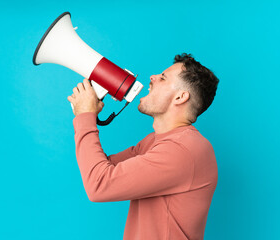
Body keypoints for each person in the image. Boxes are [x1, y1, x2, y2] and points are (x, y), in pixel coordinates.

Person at [67, 53, 219, 240]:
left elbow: (99, 184)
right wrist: (88, 112)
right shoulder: (155, 141)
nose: (152, 77)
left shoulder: (182, 149)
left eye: (163, 78)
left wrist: (85, 116)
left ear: (180, 97)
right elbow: (97, 168)